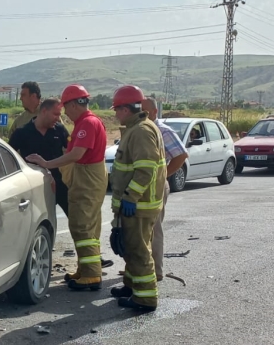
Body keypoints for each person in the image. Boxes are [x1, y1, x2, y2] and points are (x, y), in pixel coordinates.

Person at [26, 84, 107, 290]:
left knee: (82, 226)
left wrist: (46, 163)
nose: (65, 114)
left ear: (73, 105)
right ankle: (87, 269)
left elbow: (75, 155)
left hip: (87, 180)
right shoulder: (86, 122)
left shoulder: (87, 123)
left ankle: (91, 275)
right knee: (87, 226)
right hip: (87, 178)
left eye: (65, 108)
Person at [109, 85, 166, 312]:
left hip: (139, 205)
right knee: (133, 247)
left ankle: (145, 299)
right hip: (138, 204)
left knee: (138, 250)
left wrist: (131, 197)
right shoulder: (138, 128)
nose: (115, 114)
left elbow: (145, 169)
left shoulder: (141, 131)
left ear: (125, 109)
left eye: (117, 109)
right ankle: (132, 286)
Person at [140, 97, 188, 282]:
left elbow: (181, 155)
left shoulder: (162, 131)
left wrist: (162, 175)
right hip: (142, 186)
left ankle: (156, 270)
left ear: (154, 113)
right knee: (140, 229)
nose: (142, 115)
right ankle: (141, 266)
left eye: (145, 111)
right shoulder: (139, 130)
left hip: (157, 187)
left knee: (154, 228)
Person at [10, 97, 69, 215]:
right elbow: (9, 156)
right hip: (35, 187)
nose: (58, 118)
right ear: (44, 112)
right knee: (40, 222)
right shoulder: (22, 132)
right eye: (55, 114)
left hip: (60, 184)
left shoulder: (60, 129)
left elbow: (71, 150)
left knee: (77, 220)